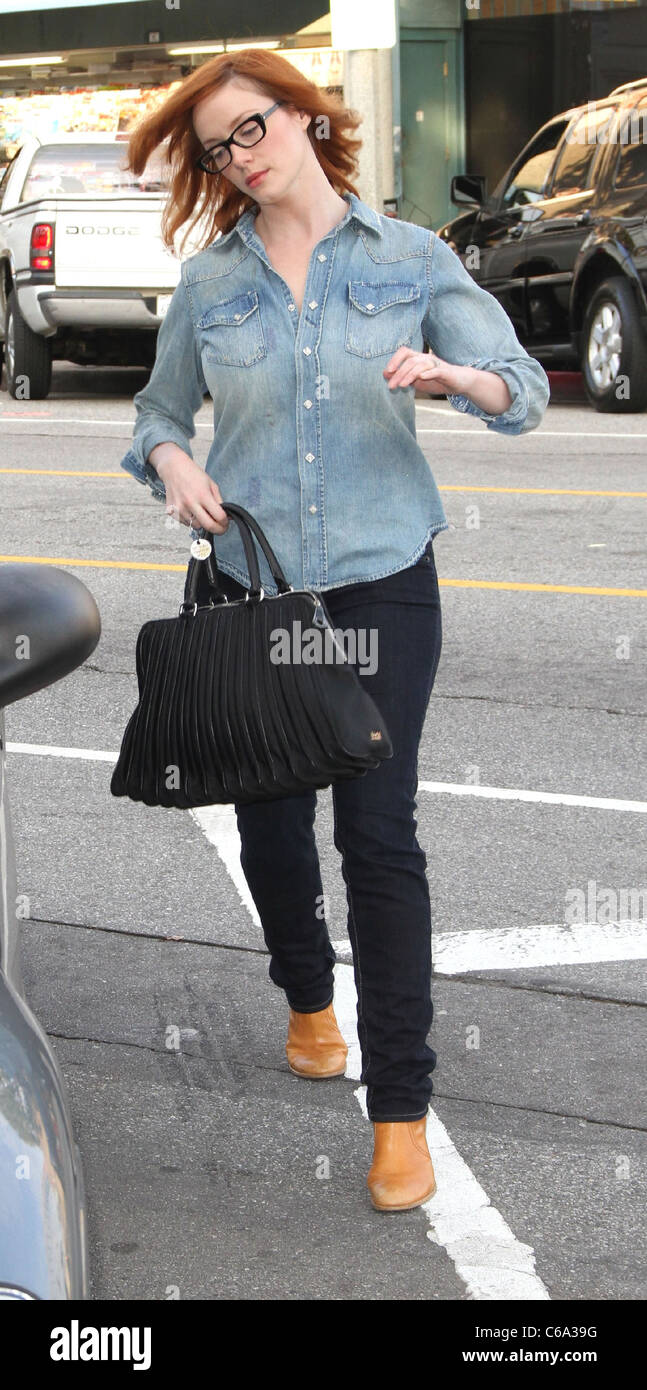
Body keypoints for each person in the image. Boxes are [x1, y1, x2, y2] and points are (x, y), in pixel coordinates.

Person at [119, 49, 550, 1212]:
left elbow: (521, 385)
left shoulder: (409, 257)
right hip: (256, 592)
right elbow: (159, 412)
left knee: (378, 829)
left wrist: (459, 380)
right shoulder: (211, 281)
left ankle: (398, 1110)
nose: (239, 159)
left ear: (303, 115)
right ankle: (306, 996)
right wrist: (172, 463)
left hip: (378, 583)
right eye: (216, 149)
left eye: (250, 130)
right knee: (271, 821)